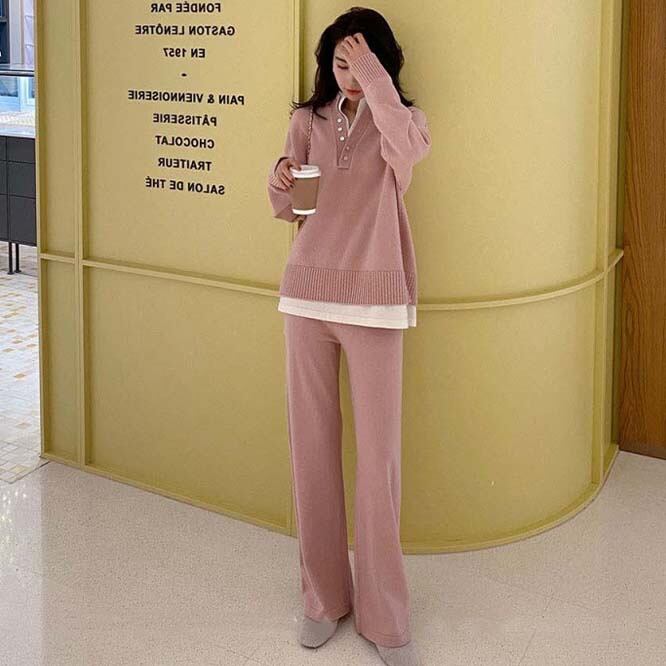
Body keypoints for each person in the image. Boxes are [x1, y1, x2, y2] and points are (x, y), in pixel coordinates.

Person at [266, 7, 431, 666]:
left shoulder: (404, 122)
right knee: (310, 452)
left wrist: (373, 78)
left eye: (362, 62)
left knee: (378, 465)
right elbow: (294, 210)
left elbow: (407, 158)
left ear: (384, 65)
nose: (350, 74)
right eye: (340, 62)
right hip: (306, 294)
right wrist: (280, 178)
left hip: (376, 302)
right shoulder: (308, 121)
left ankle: (385, 617)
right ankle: (322, 598)